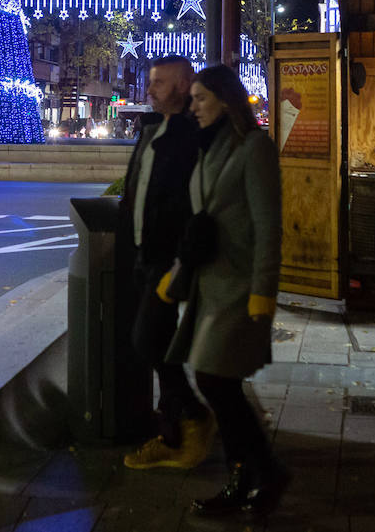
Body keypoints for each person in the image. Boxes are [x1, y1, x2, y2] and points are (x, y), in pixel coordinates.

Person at [160, 64, 286, 517]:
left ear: (226, 101)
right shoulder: (208, 146)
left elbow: (269, 226)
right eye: (192, 98)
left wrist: (264, 289)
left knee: (215, 379)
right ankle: (252, 473)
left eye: (200, 99)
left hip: (238, 284)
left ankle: (259, 471)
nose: (192, 106)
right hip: (209, 283)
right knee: (218, 380)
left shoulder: (254, 149)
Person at [116, 56, 213, 470]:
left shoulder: (191, 137)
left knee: (148, 340)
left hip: (167, 260)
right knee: (159, 341)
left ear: (182, 85)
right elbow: (140, 187)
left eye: (158, 82)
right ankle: (173, 432)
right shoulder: (154, 130)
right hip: (142, 254)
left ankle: (193, 418)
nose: (150, 88)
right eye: (150, 81)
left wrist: (180, 262)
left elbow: (193, 205)